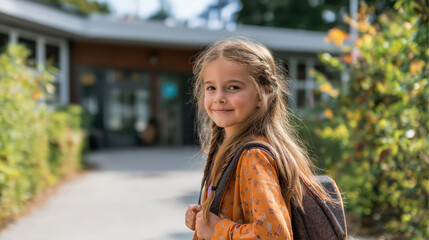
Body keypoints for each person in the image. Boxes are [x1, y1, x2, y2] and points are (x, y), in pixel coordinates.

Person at [185, 39, 336, 239]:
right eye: (211, 88)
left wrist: (217, 229)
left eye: (233, 87)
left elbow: (275, 235)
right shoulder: (234, 150)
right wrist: (204, 217)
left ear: (263, 93)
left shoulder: (253, 156)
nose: (219, 97)